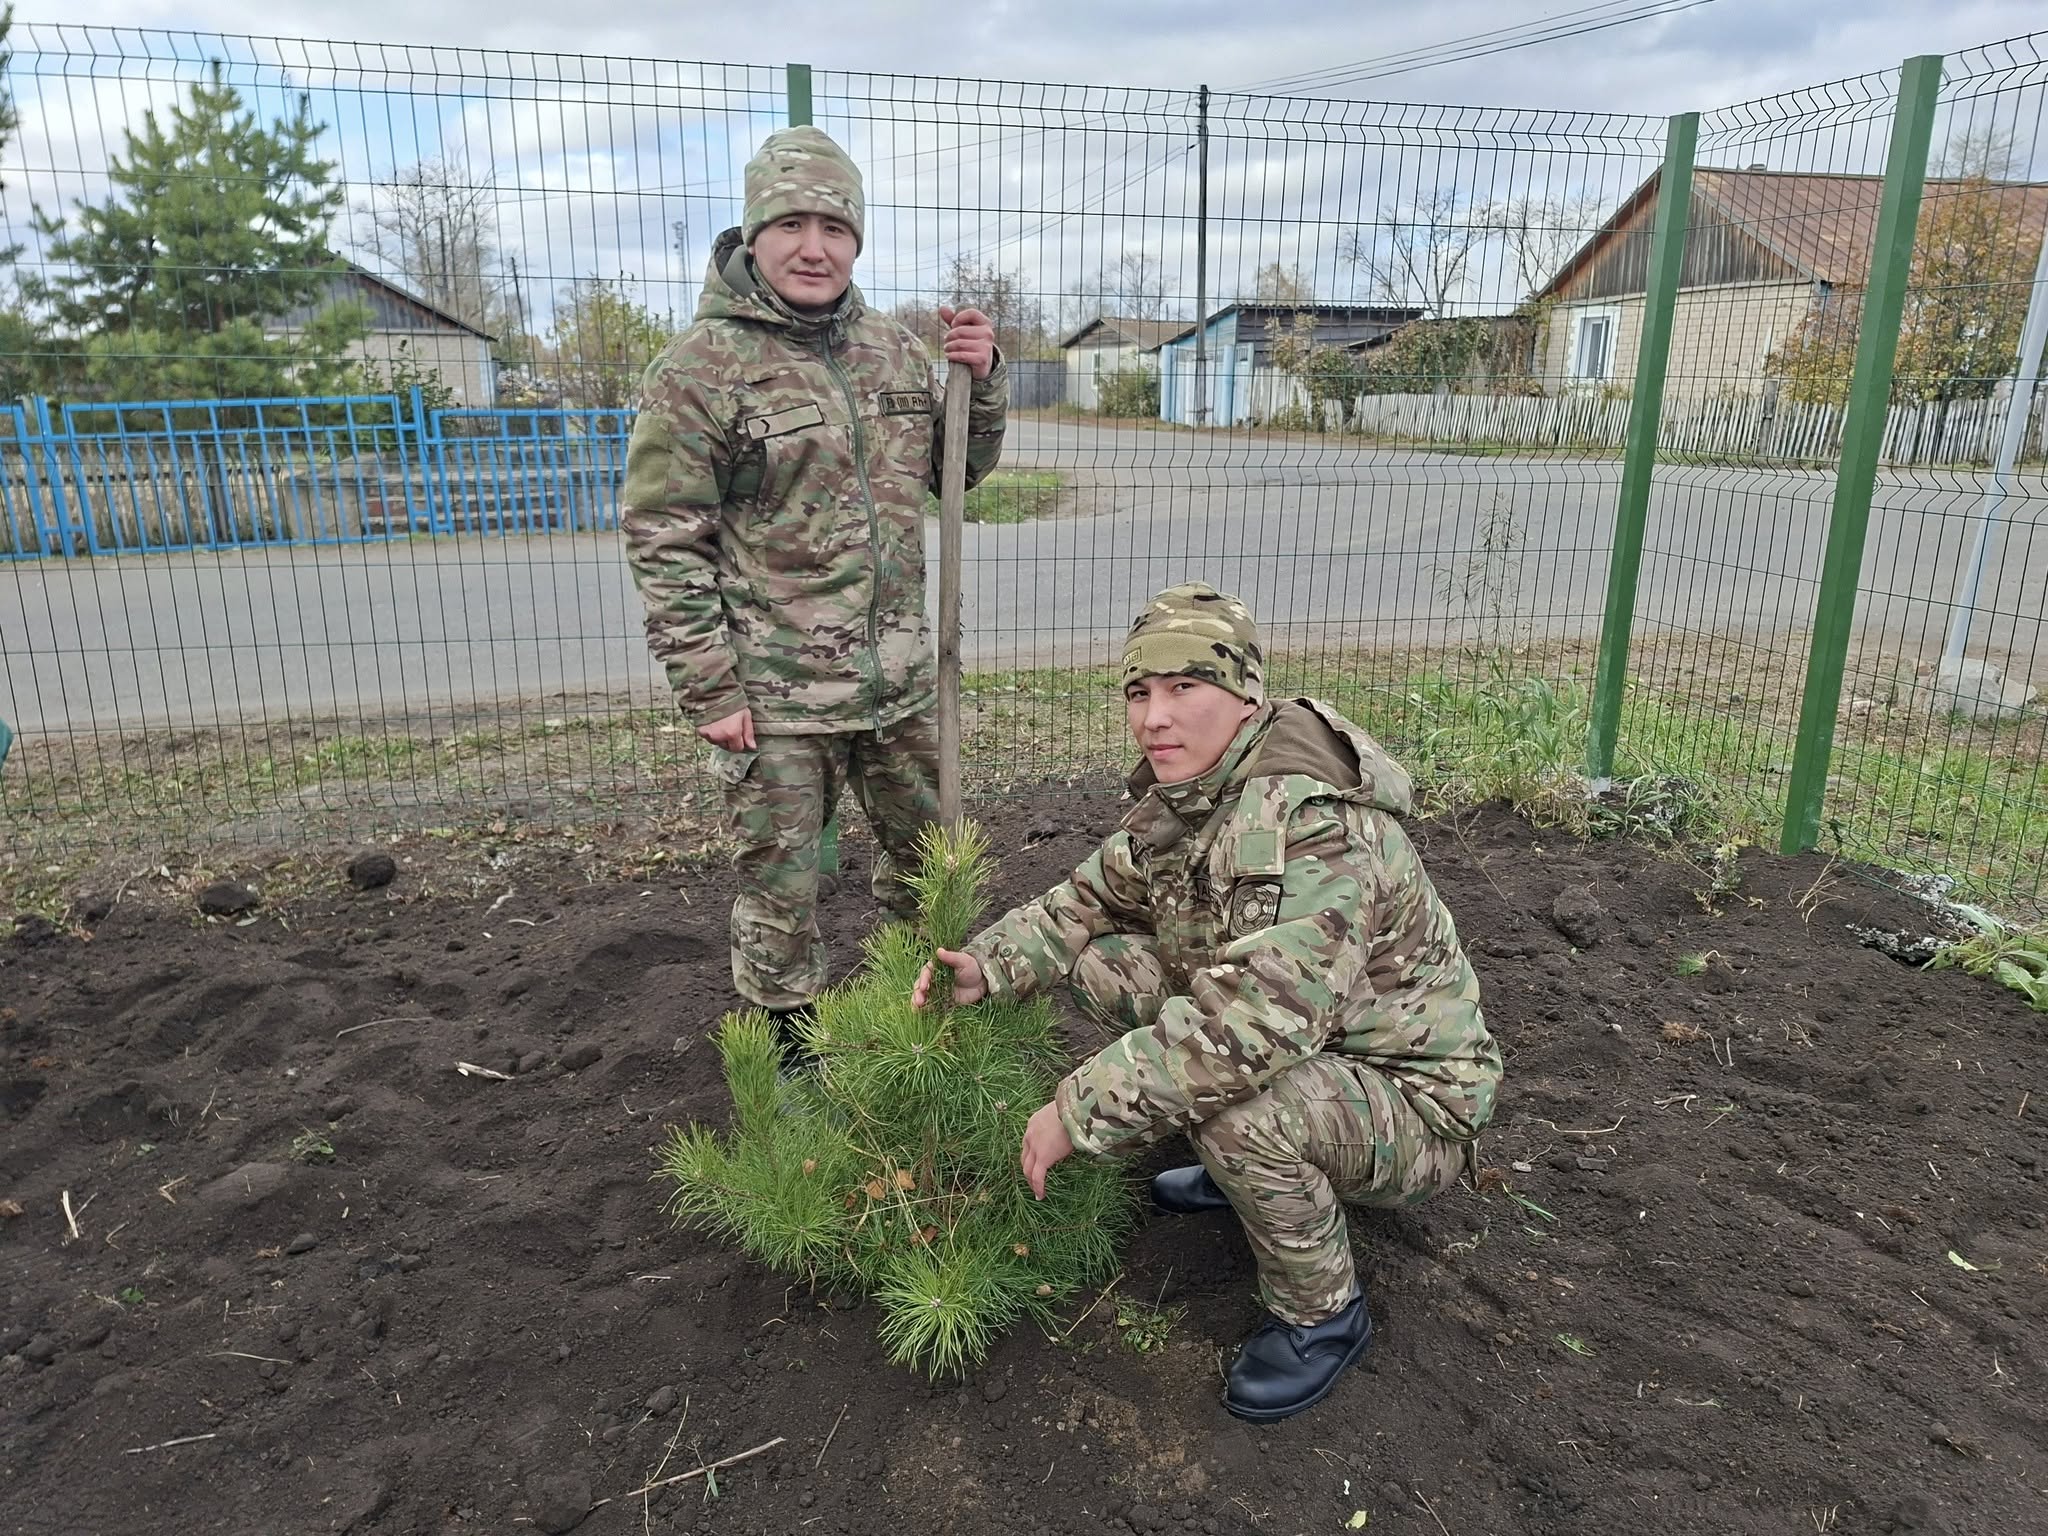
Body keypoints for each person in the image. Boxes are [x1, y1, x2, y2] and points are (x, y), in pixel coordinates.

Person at [911, 582, 1501, 1422]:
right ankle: (1248, 1181)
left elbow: (1251, 1023)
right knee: (1104, 964)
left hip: (1413, 1102)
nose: (1155, 716)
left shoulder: (1317, 828)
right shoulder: (1188, 803)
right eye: (1139, 693)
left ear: (1247, 696)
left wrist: (1075, 1109)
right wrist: (988, 965)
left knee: (1237, 1110)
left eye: (1184, 688)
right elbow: (1085, 903)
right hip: (1319, 1051)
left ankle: (1323, 1317)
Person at [623, 126, 1008, 1046]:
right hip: (775, 697)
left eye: (834, 226)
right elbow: (664, 537)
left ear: (857, 239)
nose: (814, 246)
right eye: (790, 223)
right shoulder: (696, 372)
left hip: (902, 687)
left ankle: (918, 1036)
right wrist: (709, 686)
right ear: (753, 234)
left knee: (927, 869)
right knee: (781, 890)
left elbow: (960, 473)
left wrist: (982, 384)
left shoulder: (892, 352)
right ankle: (792, 1060)